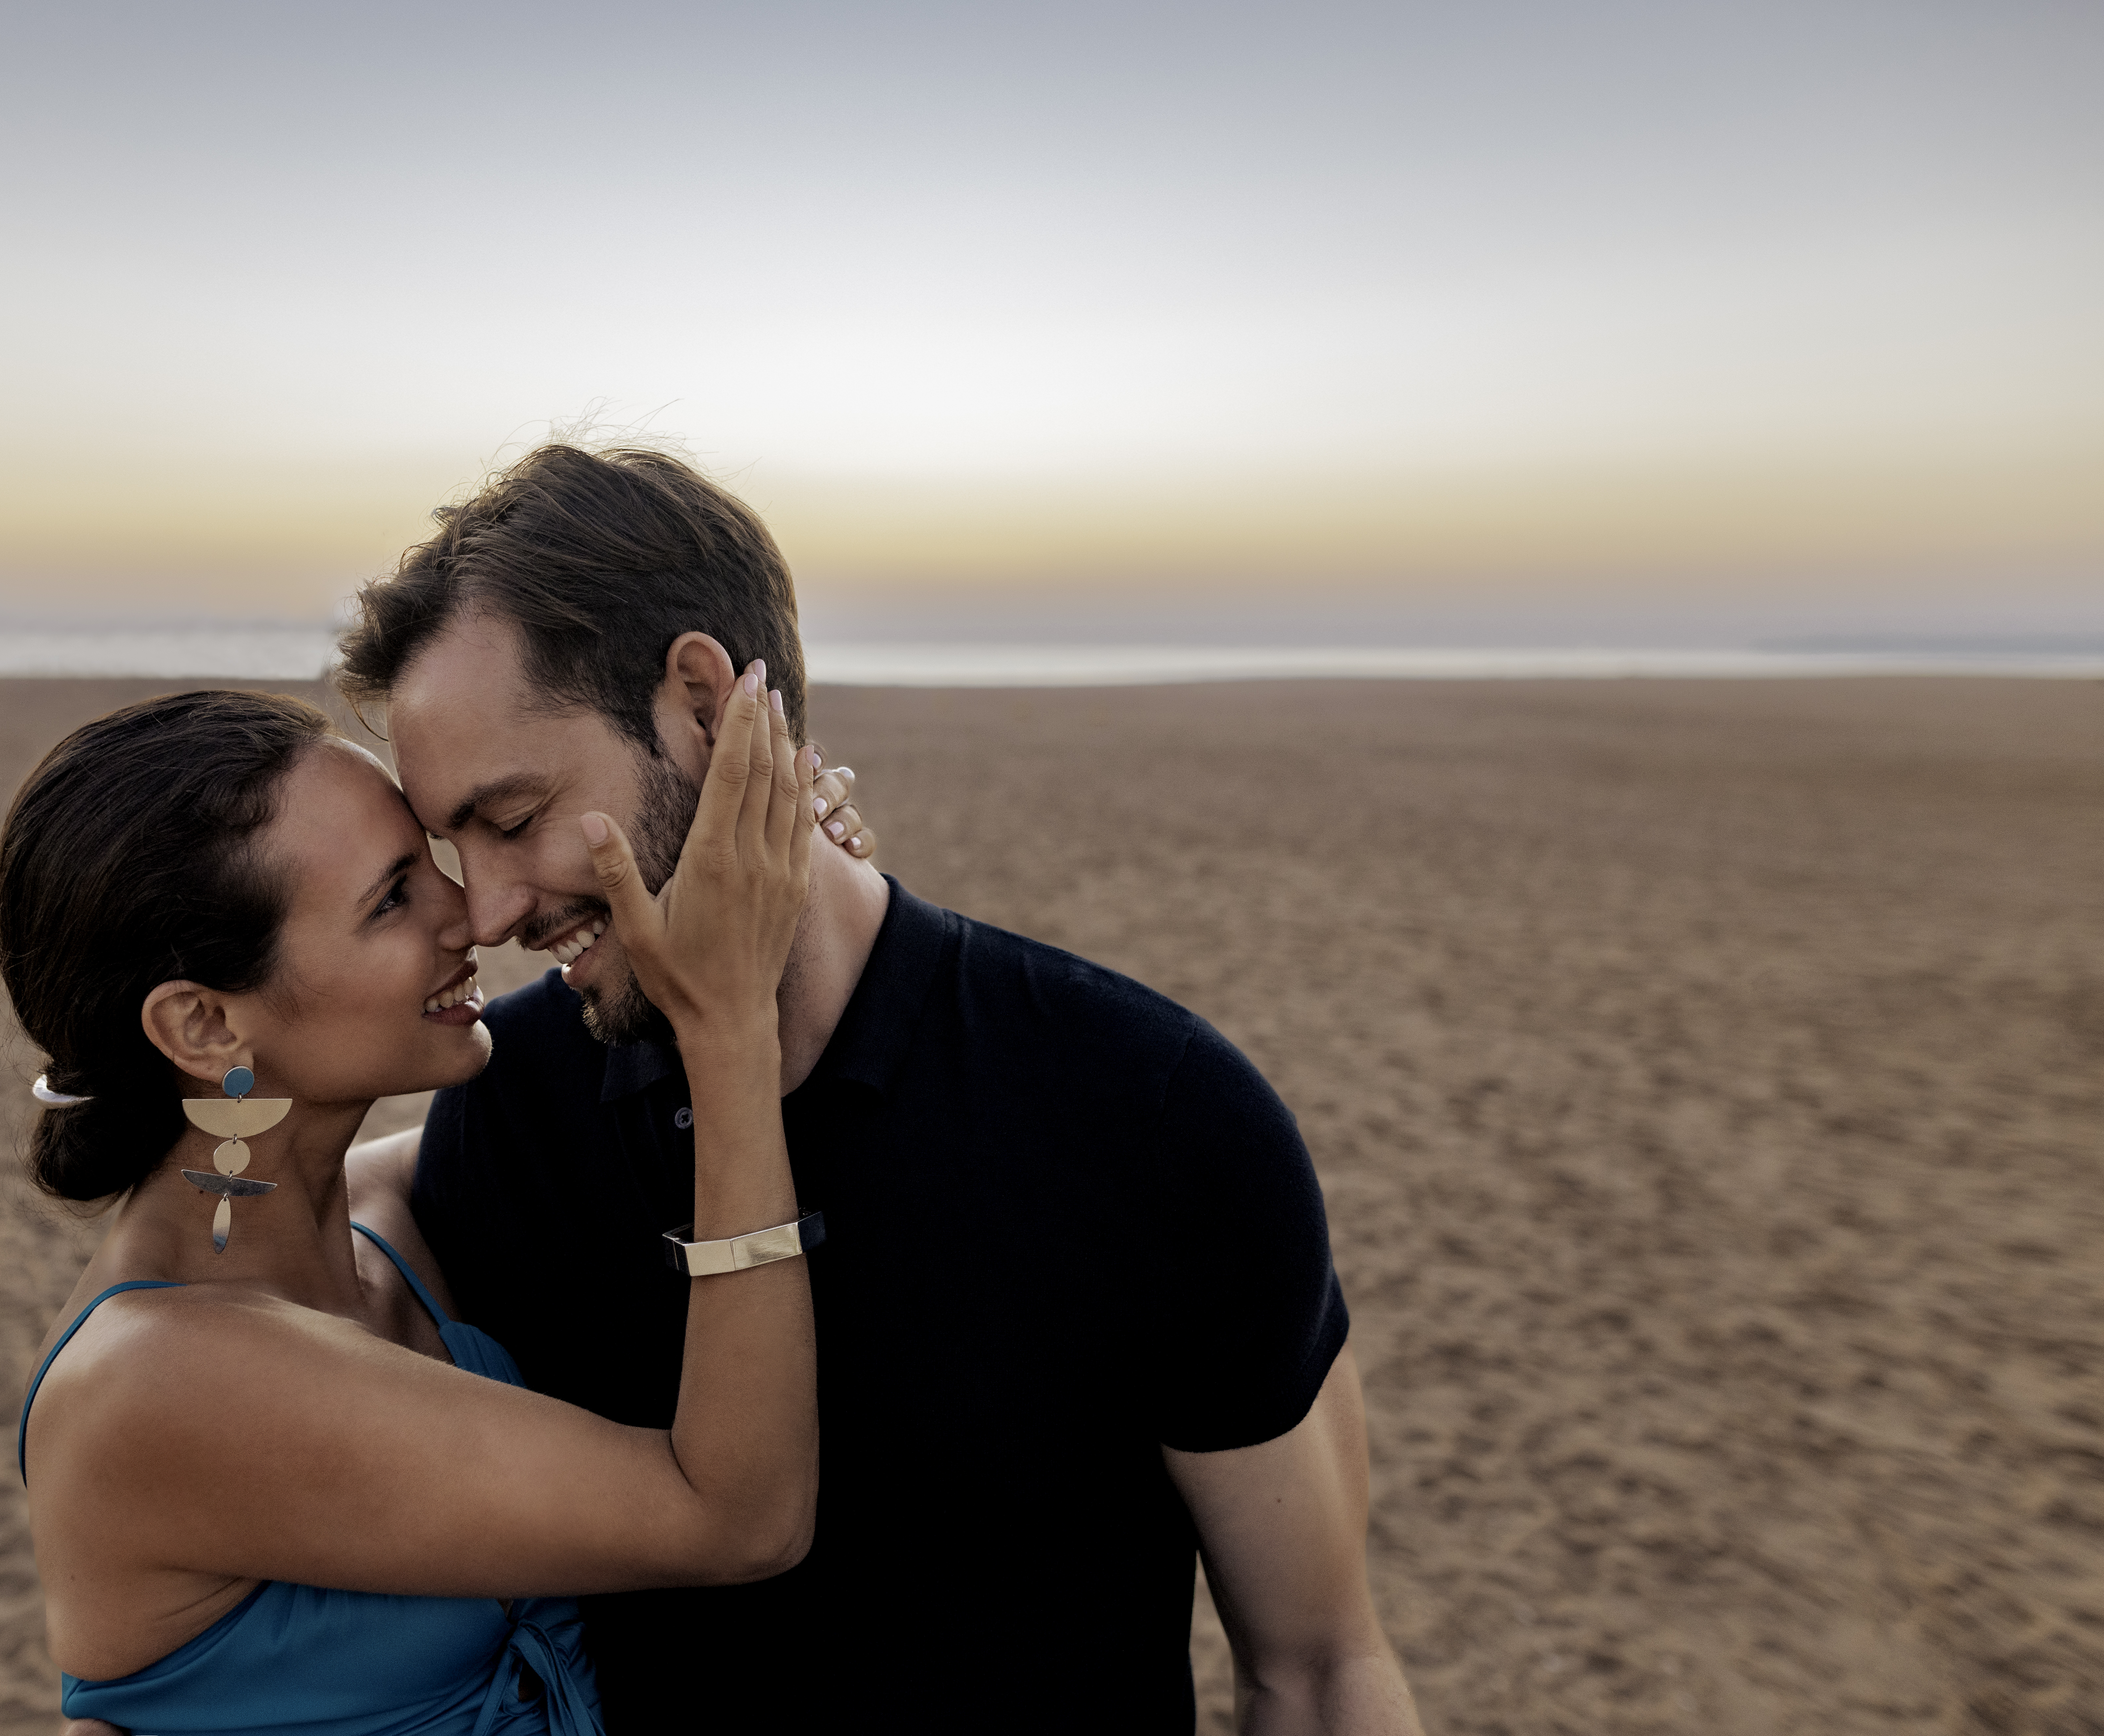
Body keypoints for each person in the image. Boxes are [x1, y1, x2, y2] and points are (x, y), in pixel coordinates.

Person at [334, 445, 1427, 1734]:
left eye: (513, 818)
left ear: (700, 704)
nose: (499, 910)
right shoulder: (508, 1122)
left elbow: (1314, 1668)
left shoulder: (1156, 1114)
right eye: (455, 849)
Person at [2, 672, 847, 1735]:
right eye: (393, 897)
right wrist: (727, 1028)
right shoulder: (156, 1378)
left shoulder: (387, 1206)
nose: (471, 911)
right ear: (207, 1027)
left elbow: (579, 1046)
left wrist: (779, 875)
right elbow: (740, 1518)